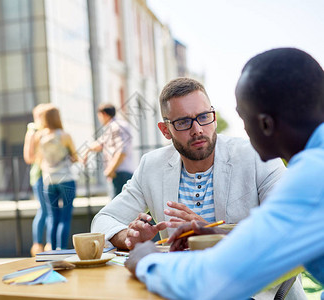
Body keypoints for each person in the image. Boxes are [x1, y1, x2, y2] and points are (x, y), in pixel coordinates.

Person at [124, 48, 323, 300]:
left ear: (265, 124)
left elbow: (213, 281)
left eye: (242, 116)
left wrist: (147, 260)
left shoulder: (312, 179)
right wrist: (219, 234)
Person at [91, 77, 305, 299]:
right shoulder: (151, 166)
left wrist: (212, 232)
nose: (197, 129)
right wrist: (130, 236)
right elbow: (103, 220)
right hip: (180, 290)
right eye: (183, 122)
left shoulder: (257, 155)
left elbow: (291, 231)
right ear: (165, 130)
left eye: (204, 117)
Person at [29, 106, 78, 250]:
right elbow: (75, 157)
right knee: (65, 217)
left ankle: (52, 251)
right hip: (66, 179)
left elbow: (36, 158)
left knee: (52, 216)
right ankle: (61, 250)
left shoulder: (39, 137)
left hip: (48, 181)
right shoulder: (64, 136)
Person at [83, 103, 134, 198]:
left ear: (103, 114)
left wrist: (110, 169)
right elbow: (100, 144)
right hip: (119, 172)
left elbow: (122, 151)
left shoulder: (117, 127)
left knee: (117, 207)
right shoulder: (113, 127)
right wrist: (88, 151)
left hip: (121, 173)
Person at [23, 103, 52, 256]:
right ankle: (38, 245)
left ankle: (48, 244)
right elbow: (28, 157)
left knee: (50, 210)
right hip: (40, 175)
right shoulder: (33, 131)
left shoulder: (48, 131)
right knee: (44, 209)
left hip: (51, 175)